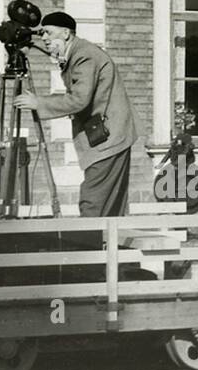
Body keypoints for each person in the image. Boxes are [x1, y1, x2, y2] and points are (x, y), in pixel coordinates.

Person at [12, 11, 137, 217]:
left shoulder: (85, 55)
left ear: (66, 33)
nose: (44, 39)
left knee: (93, 199)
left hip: (110, 137)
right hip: (109, 133)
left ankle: (87, 246)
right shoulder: (76, 53)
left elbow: (79, 99)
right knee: (109, 201)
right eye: (42, 34)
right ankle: (107, 245)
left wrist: (39, 102)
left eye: (49, 33)